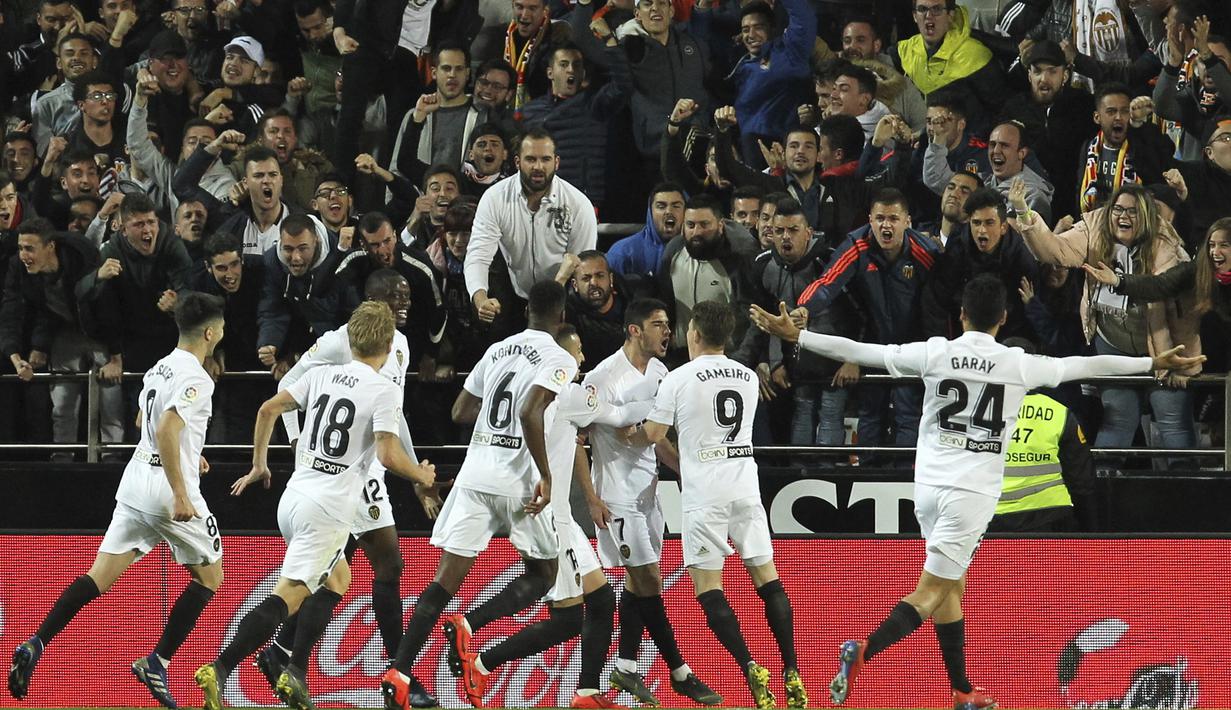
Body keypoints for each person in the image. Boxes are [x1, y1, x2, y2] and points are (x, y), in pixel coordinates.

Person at [747, 274, 1203, 710]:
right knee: (931, 590)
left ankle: (962, 691)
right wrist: (1151, 362)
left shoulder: (935, 352)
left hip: (926, 486)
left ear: (961, 315)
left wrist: (799, 337)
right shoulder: (1016, 363)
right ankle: (864, 649)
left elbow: (863, 351)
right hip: (971, 494)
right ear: (1003, 318)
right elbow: (1086, 365)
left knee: (952, 587)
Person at [196, 301, 436, 710]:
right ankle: (220, 667)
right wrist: (422, 477)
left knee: (337, 577)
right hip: (328, 509)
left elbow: (268, 408)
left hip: (294, 496)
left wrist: (259, 464)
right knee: (287, 596)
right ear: (388, 343)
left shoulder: (323, 374)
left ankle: (292, 669)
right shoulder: (384, 389)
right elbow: (389, 454)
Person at [8, 292, 227, 708]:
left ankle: (37, 640)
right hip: (166, 489)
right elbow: (164, 428)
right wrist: (181, 490)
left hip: (135, 480)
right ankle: (157, 662)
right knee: (210, 577)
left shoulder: (160, 367)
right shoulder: (199, 377)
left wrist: (189, 451)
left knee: (99, 576)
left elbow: (144, 420)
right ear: (212, 332)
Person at [381, 280, 577, 710]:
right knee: (544, 574)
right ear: (561, 317)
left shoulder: (498, 350)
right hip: (518, 483)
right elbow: (530, 411)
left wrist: (492, 424)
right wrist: (545, 473)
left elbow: (459, 412)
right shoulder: (559, 357)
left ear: (526, 312)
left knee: (442, 583)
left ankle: (398, 672)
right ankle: (471, 624)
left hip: (474, 476)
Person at [624, 301, 806, 709]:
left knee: (709, 588)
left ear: (694, 333)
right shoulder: (745, 376)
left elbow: (654, 434)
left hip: (705, 489)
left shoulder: (678, 378)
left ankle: (749, 667)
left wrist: (627, 435)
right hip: (745, 482)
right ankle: (792, 668)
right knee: (767, 578)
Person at [448, 325, 622, 709]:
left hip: (562, 516)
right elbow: (618, 414)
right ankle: (478, 653)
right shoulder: (567, 393)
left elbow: (573, 440)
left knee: (602, 600)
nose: (580, 361)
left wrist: (588, 493)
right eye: (576, 352)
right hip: (553, 519)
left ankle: (587, 694)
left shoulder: (539, 393)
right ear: (559, 356)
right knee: (569, 618)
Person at [583, 297, 722, 707]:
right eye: (659, 324)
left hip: (649, 493)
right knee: (649, 582)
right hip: (616, 496)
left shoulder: (661, 372)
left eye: (668, 324)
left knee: (636, 582)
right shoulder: (603, 378)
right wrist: (590, 497)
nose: (668, 332)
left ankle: (625, 667)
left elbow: (657, 437)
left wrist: (686, 473)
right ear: (635, 330)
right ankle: (681, 672)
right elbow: (576, 438)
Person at [1008, 178, 1201, 467]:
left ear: (1147, 216)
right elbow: (1055, 251)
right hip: (1114, 344)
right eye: (1118, 209)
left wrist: (1119, 281)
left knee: (1172, 422)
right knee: (1117, 419)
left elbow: (1163, 292)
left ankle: (1188, 501)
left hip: (1163, 347)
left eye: (1133, 211)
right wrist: (1024, 213)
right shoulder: (1095, 228)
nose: (1123, 216)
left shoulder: (1165, 243)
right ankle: (1100, 496)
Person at [465, 129, 598, 334]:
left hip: (562, 294)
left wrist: (548, 301)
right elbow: (478, 256)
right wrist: (480, 297)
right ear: (518, 163)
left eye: (545, 159)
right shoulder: (495, 198)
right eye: (531, 159)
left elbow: (581, 265)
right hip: (512, 292)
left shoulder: (578, 204)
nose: (538, 167)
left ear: (556, 162)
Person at [989, 338, 1096, 533]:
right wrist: (1089, 528)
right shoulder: (1059, 412)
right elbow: (1081, 479)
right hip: (1051, 516)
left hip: (989, 518)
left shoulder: (976, 411)